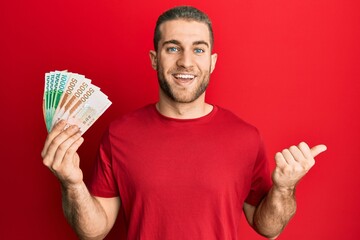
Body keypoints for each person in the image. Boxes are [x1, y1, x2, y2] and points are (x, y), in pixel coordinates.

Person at [41, 6, 327, 240]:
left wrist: (284, 189)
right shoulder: (119, 134)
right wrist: (72, 184)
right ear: (155, 59)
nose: (186, 62)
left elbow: (268, 228)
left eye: (199, 50)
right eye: (173, 48)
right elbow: (94, 231)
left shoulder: (246, 137)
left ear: (213, 62)